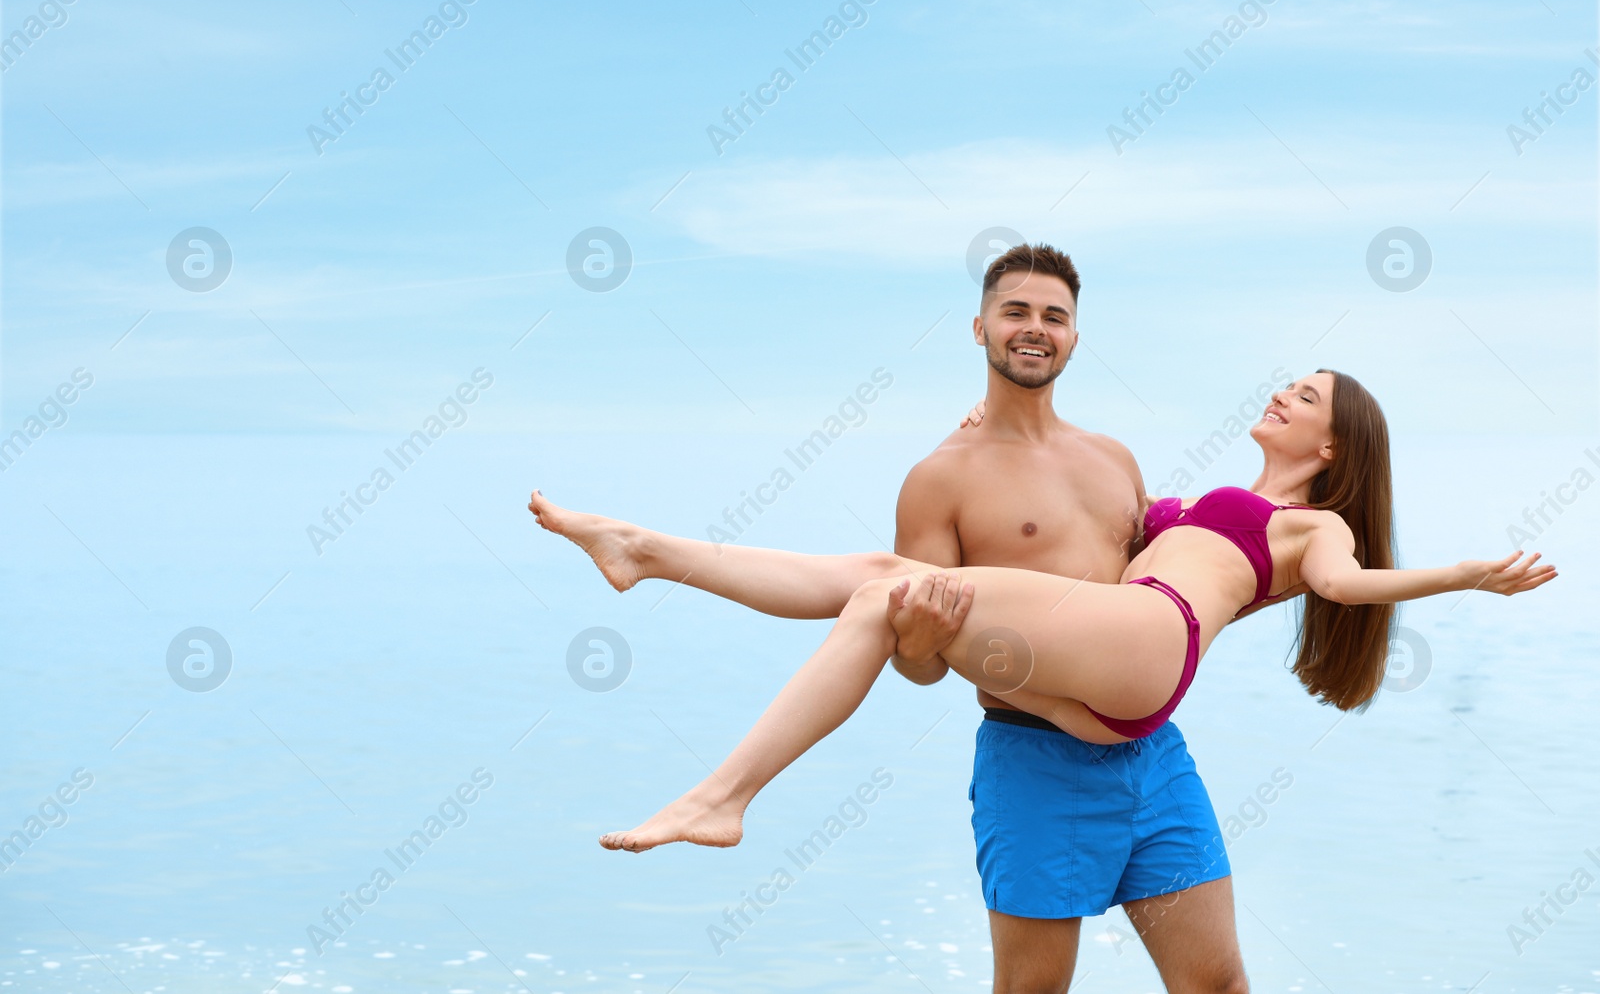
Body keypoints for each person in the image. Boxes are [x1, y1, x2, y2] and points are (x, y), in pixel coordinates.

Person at [529, 248, 1555, 991]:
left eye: (1304, 394)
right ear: (981, 329)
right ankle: (649, 555)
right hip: (1071, 708)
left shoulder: (1307, 520)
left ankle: (715, 773)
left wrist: (1460, 574)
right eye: (1013, 309)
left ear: (1334, 446)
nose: (1283, 394)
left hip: (1151, 681)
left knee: (882, 588)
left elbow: (1344, 585)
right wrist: (977, 465)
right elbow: (964, 638)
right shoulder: (1150, 494)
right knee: (889, 583)